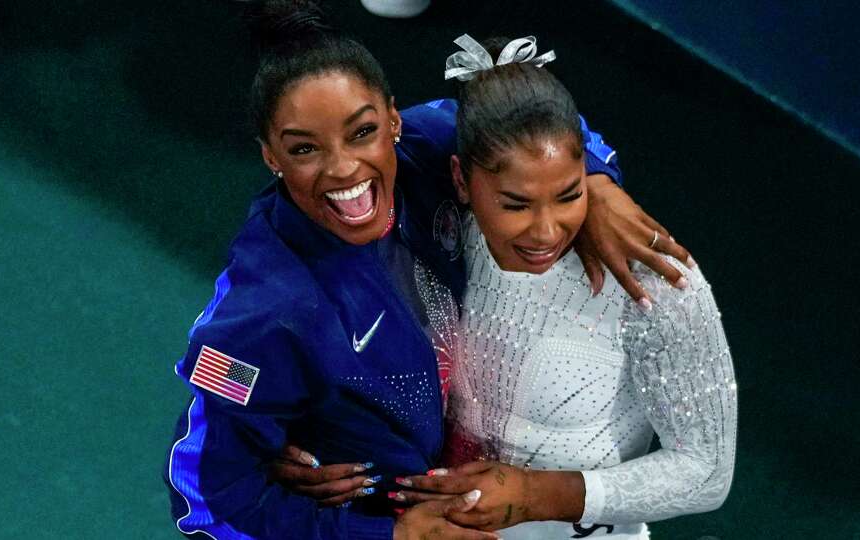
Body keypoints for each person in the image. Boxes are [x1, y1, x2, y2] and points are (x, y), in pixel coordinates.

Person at [165, 2, 693, 539]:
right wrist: (388, 537)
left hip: (491, 473)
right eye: (304, 148)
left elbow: (535, 124)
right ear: (271, 157)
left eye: (362, 132)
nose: (344, 168)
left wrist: (598, 182)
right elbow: (204, 496)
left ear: (393, 119)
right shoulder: (264, 316)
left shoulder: (432, 143)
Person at [276, 34, 737, 539]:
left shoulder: (653, 281)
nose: (545, 231)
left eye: (569, 195)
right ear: (460, 180)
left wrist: (538, 496)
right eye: (515, 204)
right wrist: (300, 441)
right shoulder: (437, 229)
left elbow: (706, 471)